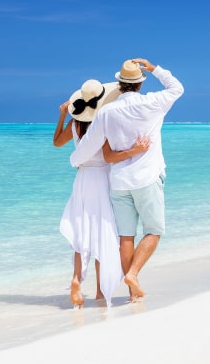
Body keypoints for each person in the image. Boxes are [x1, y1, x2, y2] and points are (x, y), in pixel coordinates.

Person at [70, 58, 183, 302]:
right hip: (147, 177)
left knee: (126, 237)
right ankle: (132, 274)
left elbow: (89, 146)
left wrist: (74, 160)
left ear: (120, 84)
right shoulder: (153, 103)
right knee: (153, 231)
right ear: (140, 84)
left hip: (119, 182)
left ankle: (133, 293)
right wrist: (155, 69)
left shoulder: (106, 113)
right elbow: (177, 88)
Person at [54, 79, 150, 308]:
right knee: (102, 233)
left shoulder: (75, 124)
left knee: (81, 232)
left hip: (82, 180)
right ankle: (99, 291)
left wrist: (62, 115)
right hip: (102, 179)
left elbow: (57, 143)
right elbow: (108, 156)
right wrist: (135, 151)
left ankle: (77, 279)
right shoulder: (102, 123)